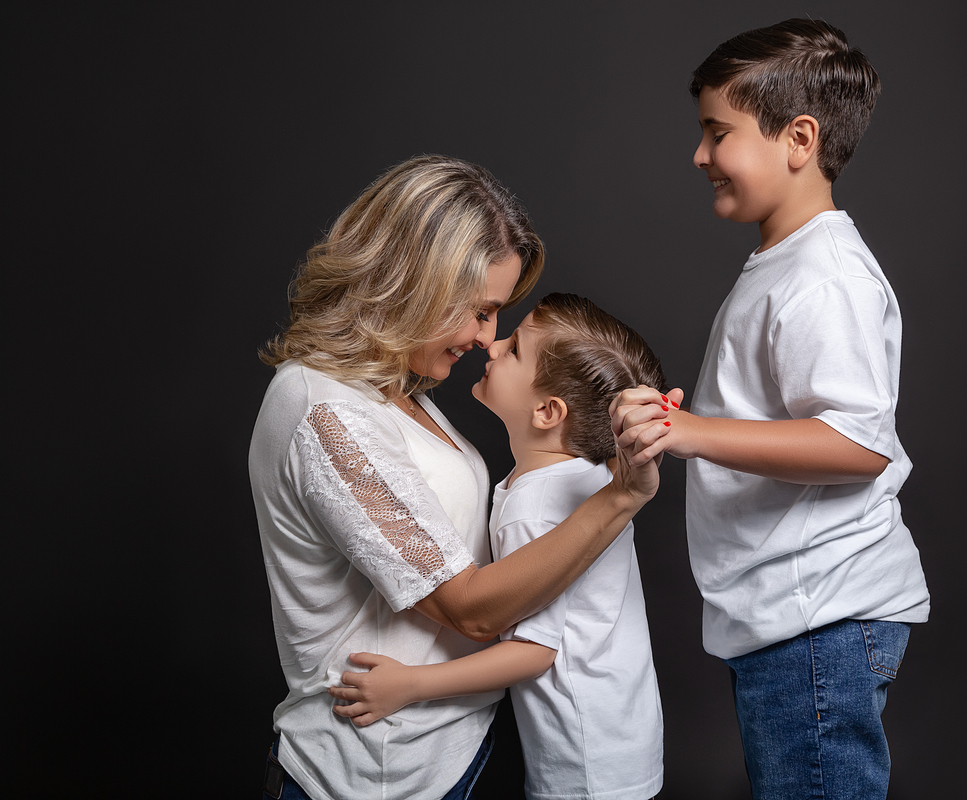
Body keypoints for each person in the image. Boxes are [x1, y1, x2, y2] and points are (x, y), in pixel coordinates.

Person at [249, 156, 662, 800]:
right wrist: (622, 495)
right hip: (371, 773)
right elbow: (468, 608)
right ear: (416, 285)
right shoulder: (325, 412)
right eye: (480, 310)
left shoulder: (394, 387)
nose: (486, 336)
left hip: (452, 752)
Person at [610, 19, 930, 800]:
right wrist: (695, 419)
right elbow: (775, 414)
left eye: (717, 133)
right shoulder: (783, 263)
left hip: (819, 617)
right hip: (790, 617)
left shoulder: (825, 276)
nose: (700, 155)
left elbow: (858, 445)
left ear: (799, 138)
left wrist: (692, 432)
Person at [327, 293, 666, 800]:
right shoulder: (586, 478)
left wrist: (411, 684)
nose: (493, 343)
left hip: (584, 761)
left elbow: (533, 653)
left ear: (548, 411)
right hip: (624, 740)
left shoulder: (535, 504)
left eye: (514, 351)